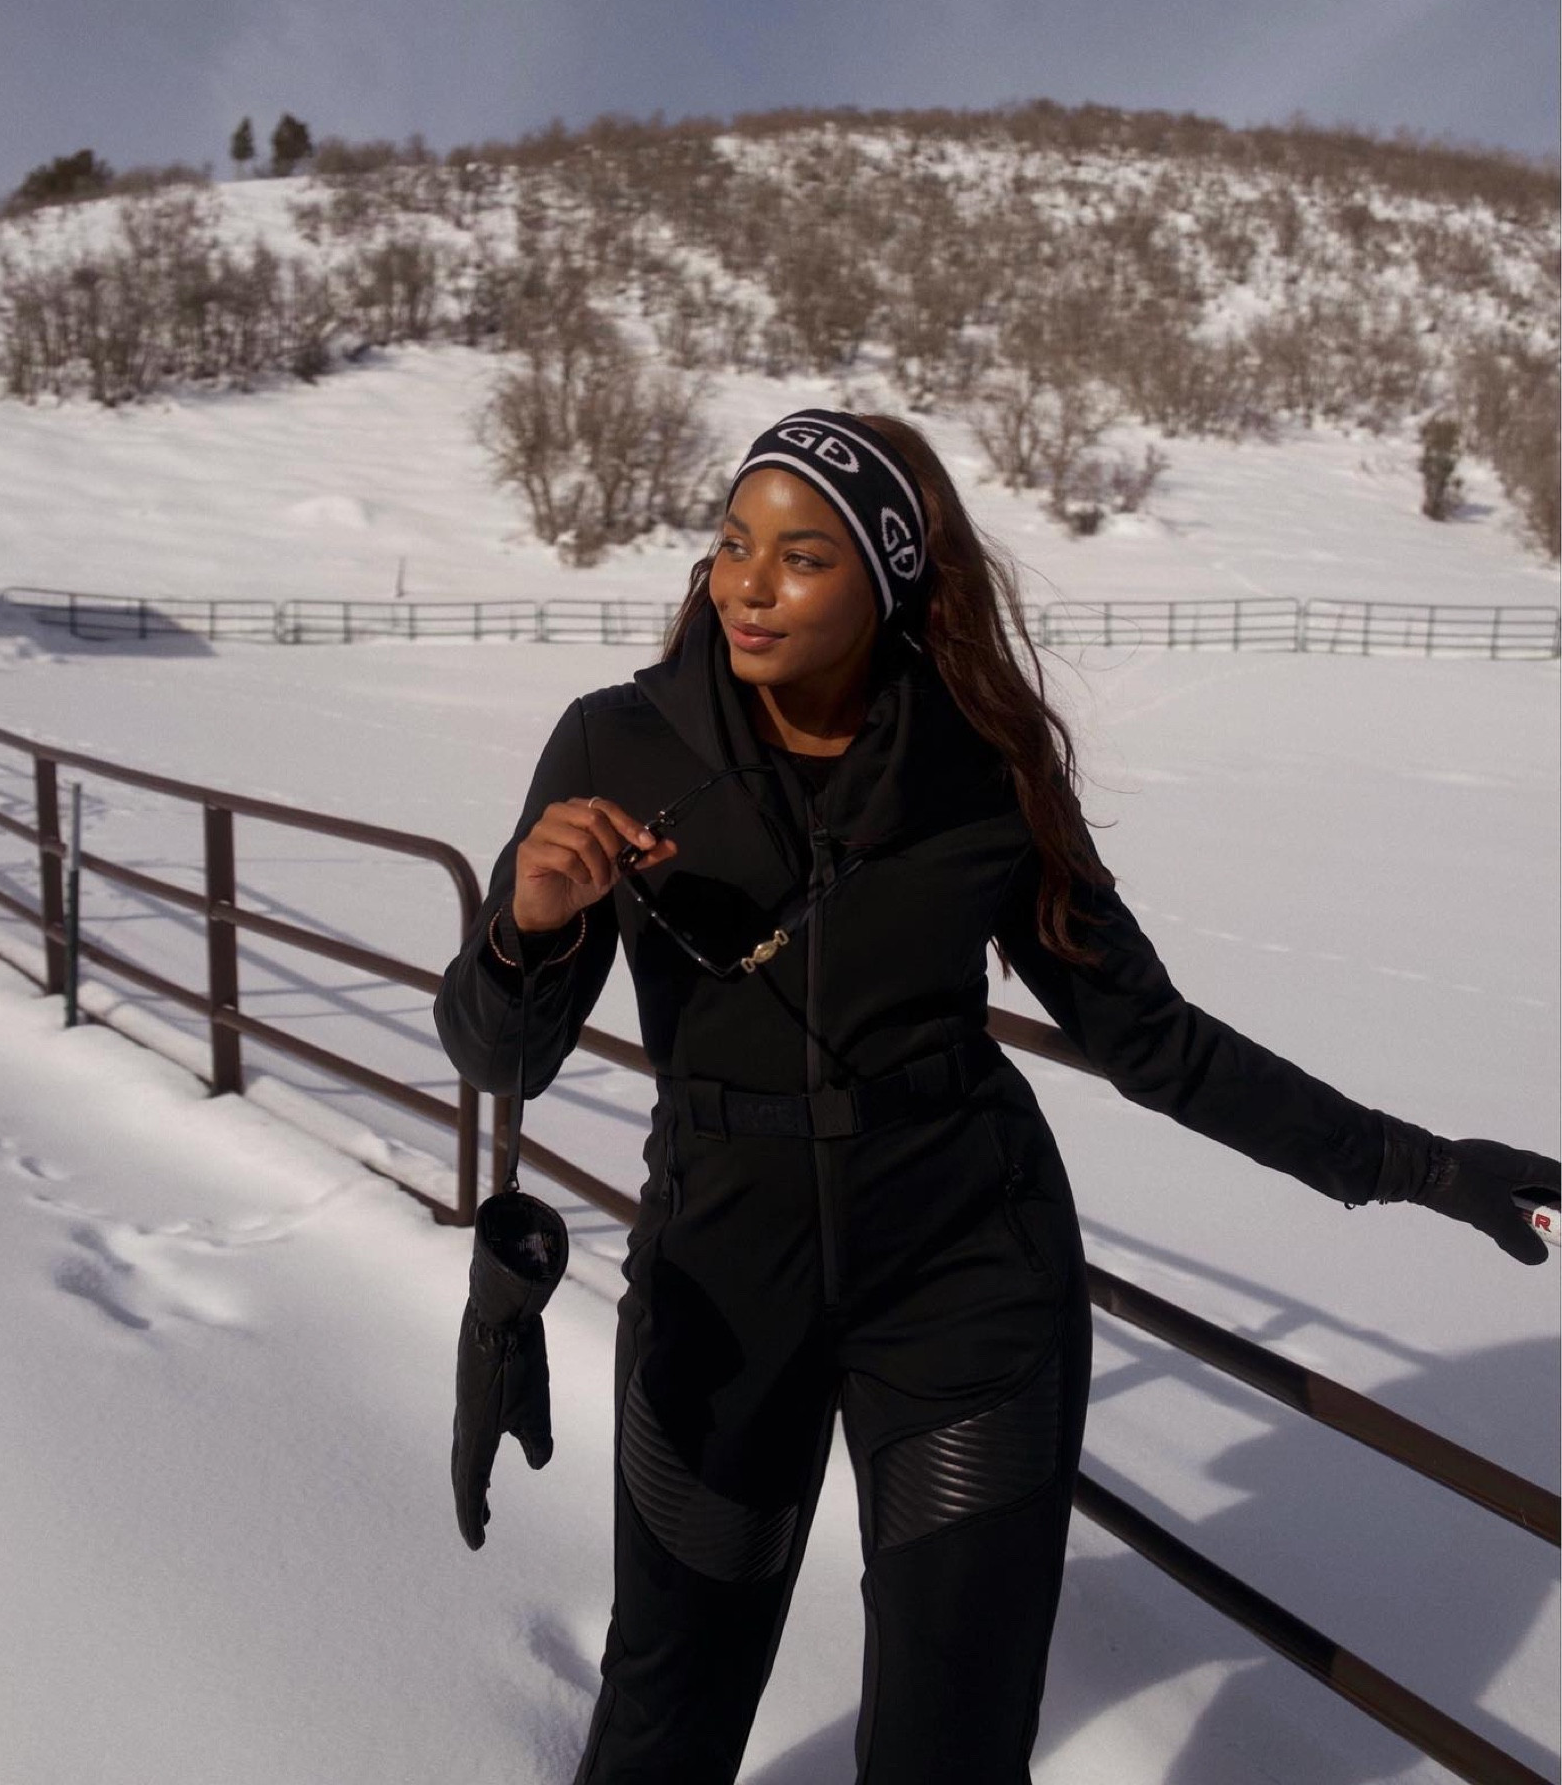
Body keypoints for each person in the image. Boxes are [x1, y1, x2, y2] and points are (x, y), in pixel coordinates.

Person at [433, 409, 1558, 1785]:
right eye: (733, 545)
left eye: (800, 558)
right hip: (725, 1282)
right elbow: (504, 1060)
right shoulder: (618, 744)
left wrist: (1417, 1164)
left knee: (953, 1745)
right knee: (667, 1711)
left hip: (969, 1276)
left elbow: (1154, 1042)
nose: (746, 584)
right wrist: (527, 928)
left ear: (890, 581)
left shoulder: (983, 767)